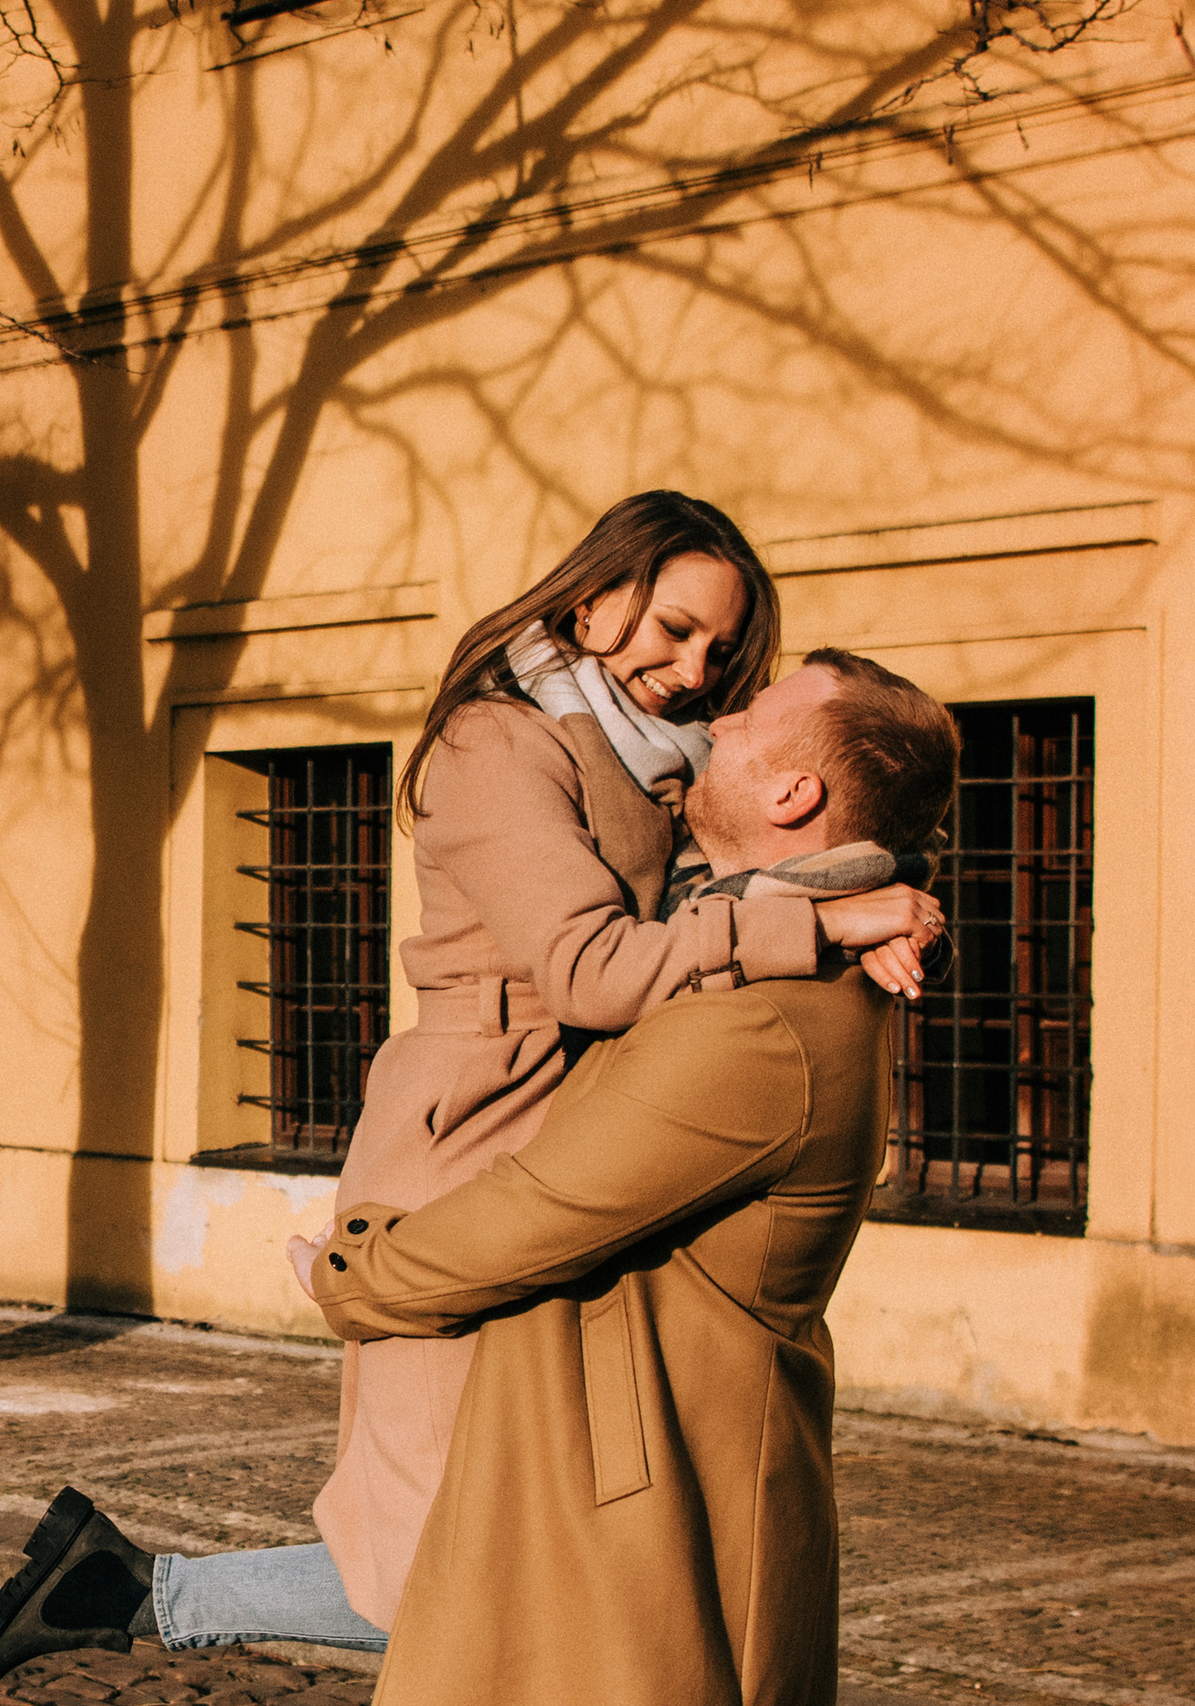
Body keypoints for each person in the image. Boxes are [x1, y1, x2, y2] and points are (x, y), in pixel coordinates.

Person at [0, 501, 941, 1697]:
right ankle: (130, 1594)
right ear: (592, 600)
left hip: (564, 1123)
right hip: (469, 1128)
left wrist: (861, 892)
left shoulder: (655, 760)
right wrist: (811, 923)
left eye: (721, 653)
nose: (697, 677)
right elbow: (594, 967)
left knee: (497, 1536)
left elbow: (755, 864)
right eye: (674, 631)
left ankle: (114, 1587)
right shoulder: (498, 744)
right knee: (461, 1553)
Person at [303, 650, 959, 1706]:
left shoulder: (754, 1021)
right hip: (625, 1474)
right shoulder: (762, 952)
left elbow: (541, 1210)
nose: (716, 720)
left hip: (646, 1508)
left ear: (795, 795)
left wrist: (353, 1266)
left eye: (750, 719)